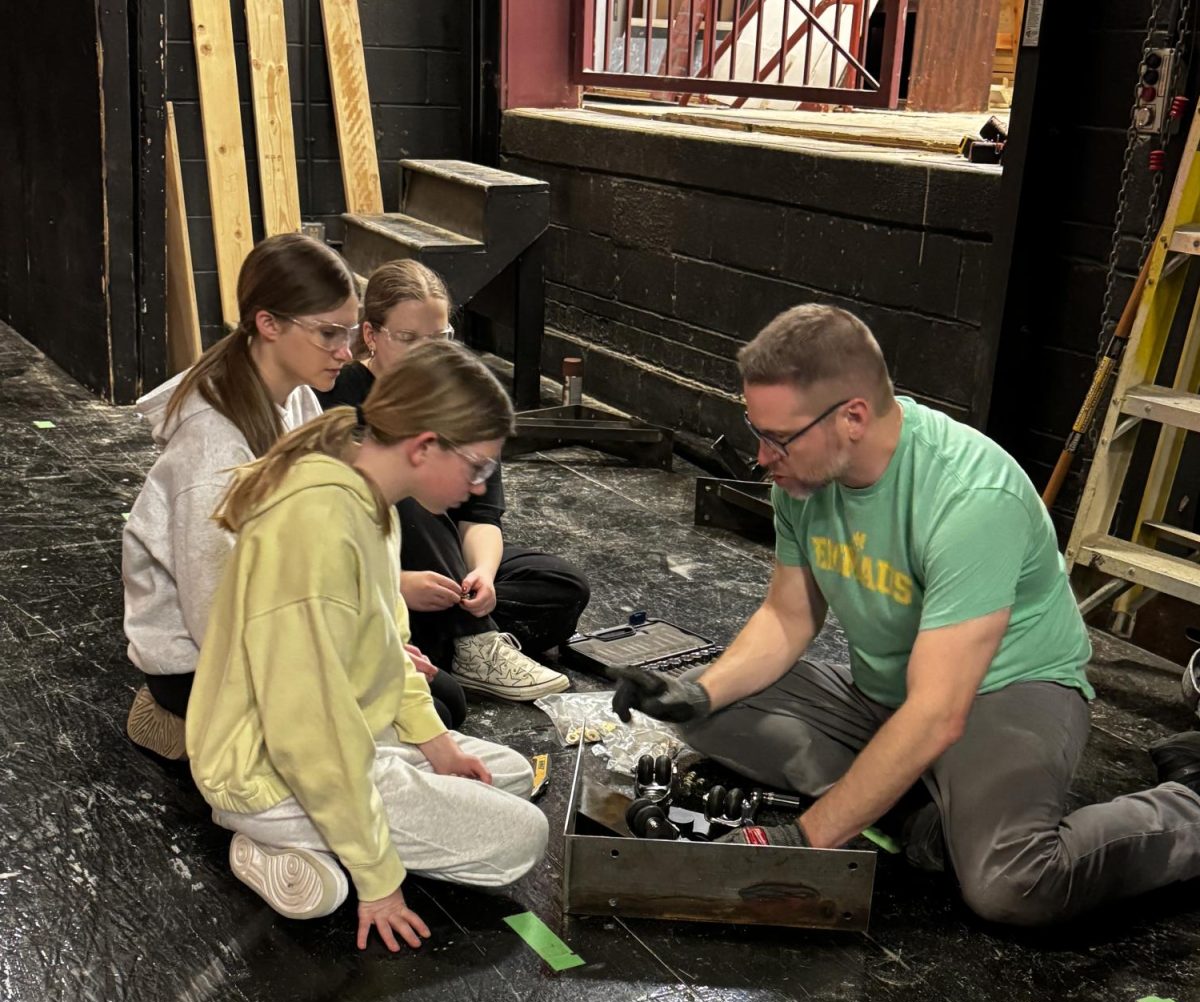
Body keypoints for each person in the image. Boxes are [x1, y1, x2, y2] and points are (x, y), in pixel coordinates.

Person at [613, 304, 1200, 928]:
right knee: (714, 717)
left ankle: (1186, 809)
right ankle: (924, 812)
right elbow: (787, 619)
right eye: (756, 430)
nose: (761, 457)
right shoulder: (804, 482)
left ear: (854, 418)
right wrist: (696, 695)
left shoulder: (971, 498)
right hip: (888, 692)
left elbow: (937, 712)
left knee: (1012, 883)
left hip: (1000, 693)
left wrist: (804, 843)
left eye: (777, 439)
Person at [187, 341, 548, 950]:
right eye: (478, 467)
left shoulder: (372, 502)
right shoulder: (321, 529)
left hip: (352, 731)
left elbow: (389, 644)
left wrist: (434, 745)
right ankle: (292, 847)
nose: (480, 485)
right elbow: (307, 731)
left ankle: (335, 838)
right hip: (269, 768)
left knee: (506, 775)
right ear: (424, 445)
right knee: (522, 838)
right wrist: (379, 881)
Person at [122, 235, 465, 760]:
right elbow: (218, 623)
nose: (346, 352)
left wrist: (369, 636)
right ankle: (182, 728)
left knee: (441, 700)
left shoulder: (297, 398)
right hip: (204, 664)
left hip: (276, 626)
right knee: (410, 720)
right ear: (268, 324)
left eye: (348, 333)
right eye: (328, 333)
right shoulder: (212, 452)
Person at [316, 260, 589, 703]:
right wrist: (395, 581)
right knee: (407, 496)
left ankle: (455, 636)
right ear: (371, 336)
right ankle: (471, 640)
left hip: (439, 561)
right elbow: (325, 531)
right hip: (362, 565)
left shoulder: (461, 396)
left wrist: (481, 576)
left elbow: (479, 514)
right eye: (409, 339)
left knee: (563, 585)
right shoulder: (337, 398)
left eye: (439, 340)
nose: (428, 354)